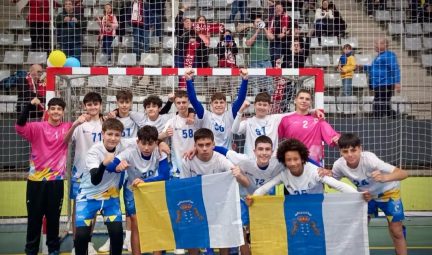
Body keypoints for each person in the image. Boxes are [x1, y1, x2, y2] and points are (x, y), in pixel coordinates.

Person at [16, 97, 86, 255]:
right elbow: (19, 126)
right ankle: (31, 250)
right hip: (36, 182)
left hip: (56, 182)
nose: (56, 111)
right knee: (34, 219)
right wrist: (29, 105)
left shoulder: (68, 127)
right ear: (48, 110)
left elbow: (89, 119)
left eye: (59, 109)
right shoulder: (36, 127)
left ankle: (53, 249)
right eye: (53, 108)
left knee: (53, 219)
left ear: (63, 112)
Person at [325, 133, 408, 255]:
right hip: (366, 197)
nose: (350, 154)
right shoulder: (339, 165)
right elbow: (331, 183)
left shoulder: (370, 160)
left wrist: (385, 177)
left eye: (354, 150)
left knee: (396, 231)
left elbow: (403, 174)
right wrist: (326, 174)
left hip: (388, 193)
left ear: (360, 149)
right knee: (357, 230)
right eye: (345, 151)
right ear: (340, 152)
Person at [181, 128, 249, 255]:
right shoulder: (187, 161)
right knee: (193, 236)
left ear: (213, 144)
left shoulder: (220, 159)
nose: (205, 148)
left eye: (208, 144)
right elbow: (184, 188)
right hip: (198, 203)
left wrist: (238, 175)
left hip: (219, 204)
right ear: (195, 146)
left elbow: (246, 183)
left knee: (225, 236)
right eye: (200, 145)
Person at [212, 135, 285, 255]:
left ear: (272, 152)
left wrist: (320, 168)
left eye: (267, 149)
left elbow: (303, 158)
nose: (264, 153)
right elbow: (223, 150)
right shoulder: (244, 160)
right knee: (240, 236)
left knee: (261, 236)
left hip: (264, 202)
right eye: (260, 149)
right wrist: (194, 149)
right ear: (254, 151)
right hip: (243, 201)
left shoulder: (278, 163)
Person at [108, 125, 171, 255]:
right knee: (136, 225)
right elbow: (110, 166)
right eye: (143, 144)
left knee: (155, 224)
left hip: (152, 190)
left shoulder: (160, 152)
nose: (146, 148)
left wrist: (144, 182)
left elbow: (165, 175)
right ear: (138, 142)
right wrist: (117, 167)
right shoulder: (129, 152)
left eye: (150, 144)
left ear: (156, 142)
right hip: (133, 191)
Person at [73, 119, 130, 255]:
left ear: (121, 135)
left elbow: (144, 139)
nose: (113, 138)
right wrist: (104, 164)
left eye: (117, 135)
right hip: (88, 196)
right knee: (81, 236)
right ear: (103, 134)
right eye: (109, 134)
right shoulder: (93, 152)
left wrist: (161, 142)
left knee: (117, 234)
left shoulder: (124, 145)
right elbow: (95, 180)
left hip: (110, 198)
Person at [251, 139, 357, 196]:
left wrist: (359, 196)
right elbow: (265, 188)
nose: (292, 163)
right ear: (284, 161)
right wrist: (253, 198)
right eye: (288, 160)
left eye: (296, 159)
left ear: (302, 159)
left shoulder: (315, 172)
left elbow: (339, 186)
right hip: (296, 211)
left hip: (317, 209)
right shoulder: (283, 174)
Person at [232, 92, 322, 158]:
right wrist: (241, 111)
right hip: (251, 162)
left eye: (265, 105)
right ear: (255, 105)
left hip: (271, 162)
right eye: (259, 104)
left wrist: (313, 111)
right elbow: (234, 130)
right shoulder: (248, 122)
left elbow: (294, 113)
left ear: (269, 107)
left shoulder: (275, 118)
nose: (262, 107)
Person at [70, 92, 104, 255]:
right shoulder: (80, 124)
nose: (92, 107)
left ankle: (88, 242)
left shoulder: (106, 123)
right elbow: (65, 140)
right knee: (78, 209)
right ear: (85, 106)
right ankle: (77, 244)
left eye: (95, 103)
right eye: (89, 104)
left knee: (92, 209)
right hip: (79, 174)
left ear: (100, 105)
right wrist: (75, 124)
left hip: (97, 173)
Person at [185, 68, 248, 149]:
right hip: (209, 154)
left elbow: (241, 99)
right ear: (211, 105)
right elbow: (193, 100)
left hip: (226, 156)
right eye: (216, 102)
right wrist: (189, 80)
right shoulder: (205, 115)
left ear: (226, 104)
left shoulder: (230, 115)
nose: (219, 105)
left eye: (221, 102)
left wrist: (245, 79)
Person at [278, 89, 339, 166]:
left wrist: (337, 139)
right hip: (292, 163)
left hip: (313, 164)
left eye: (307, 99)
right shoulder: (286, 120)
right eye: (301, 98)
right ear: (295, 100)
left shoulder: (318, 120)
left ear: (310, 103)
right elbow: (277, 139)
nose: (304, 101)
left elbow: (333, 136)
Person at [162, 90, 201, 178]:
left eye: (184, 102)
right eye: (178, 103)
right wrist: (164, 134)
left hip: (196, 160)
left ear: (189, 102)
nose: (181, 105)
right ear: (175, 104)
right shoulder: (172, 121)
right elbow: (158, 137)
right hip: (178, 163)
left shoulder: (197, 120)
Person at [365, 38, 401, 118]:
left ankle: (377, 118)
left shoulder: (389, 55)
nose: (375, 46)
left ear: (384, 45)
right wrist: (363, 67)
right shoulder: (378, 56)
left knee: (379, 102)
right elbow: (374, 68)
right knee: (383, 103)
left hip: (385, 83)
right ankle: (392, 116)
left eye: (377, 43)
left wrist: (397, 82)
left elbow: (395, 68)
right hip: (378, 84)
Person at [245, 15, 275, 95]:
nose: (259, 23)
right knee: (255, 84)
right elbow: (248, 43)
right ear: (254, 24)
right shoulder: (250, 32)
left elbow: (271, 37)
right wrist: (257, 31)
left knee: (269, 82)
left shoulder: (265, 31)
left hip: (266, 60)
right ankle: (256, 100)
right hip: (254, 61)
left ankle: (271, 101)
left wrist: (264, 28)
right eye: (257, 22)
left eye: (260, 21)